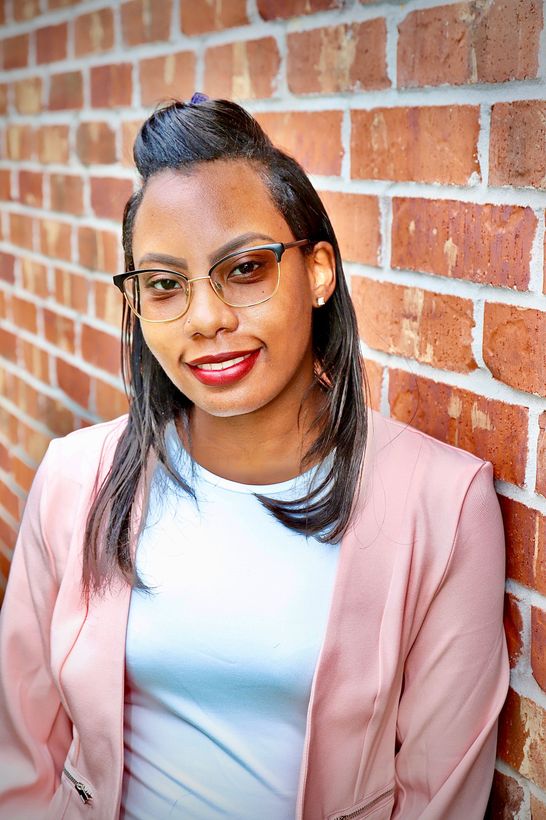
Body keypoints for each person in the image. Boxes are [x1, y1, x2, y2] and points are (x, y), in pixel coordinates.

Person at [0, 94, 509, 820]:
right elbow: (22, 755)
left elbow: (440, 795)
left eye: (244, 270)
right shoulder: (74, 481)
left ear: (319, 272)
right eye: (165, 285)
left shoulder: (442, 504)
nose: (206, 319)